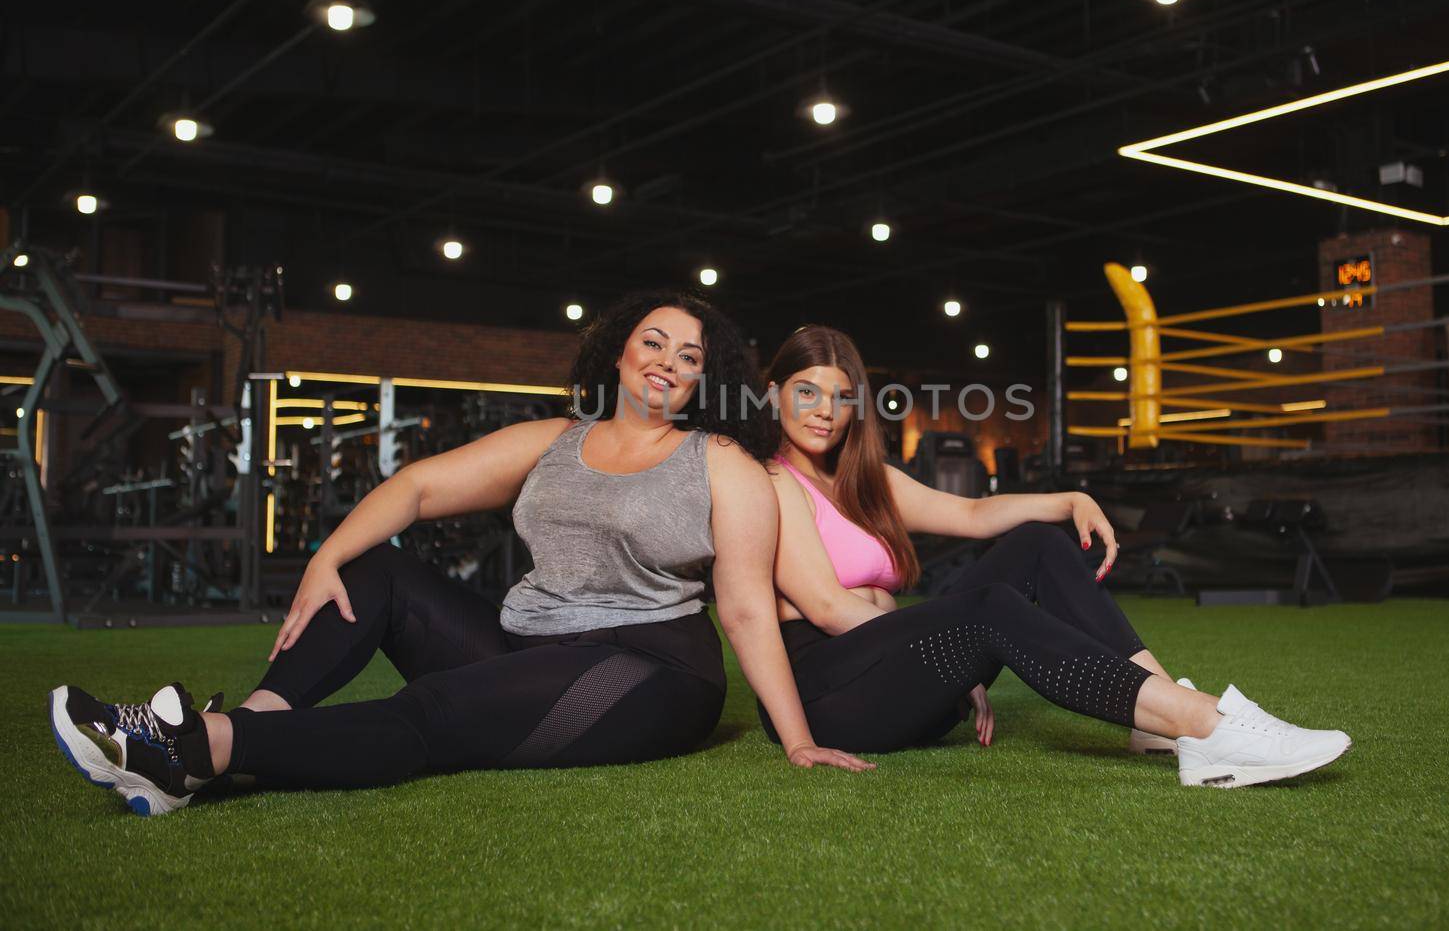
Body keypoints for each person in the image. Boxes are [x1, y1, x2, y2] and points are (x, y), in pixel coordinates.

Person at [48, 292, 870, 816]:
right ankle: (258, 719)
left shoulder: (719, 461)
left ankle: (192, 748)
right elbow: (416, 488)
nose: (668, 363)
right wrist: (324, 555)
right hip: (531, 641)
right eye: (655, 343)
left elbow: (747, 607)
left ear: (701, 379)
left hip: (649, 668)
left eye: (689, 357)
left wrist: (795, 738)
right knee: (376, 570)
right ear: (621, 349)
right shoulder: (555, 439)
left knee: (434, 713)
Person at [757, 325, 1350, 788]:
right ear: (773, 392)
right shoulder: (773, 484)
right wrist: (938, 642)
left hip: (894, 678)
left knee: (1037, 544)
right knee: (985, 606)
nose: (823, 411)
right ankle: (1201, 722)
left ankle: (1166, 720)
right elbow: (830, 608)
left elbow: (970, 516)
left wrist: (1067, 499)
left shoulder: (867, 479)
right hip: (832, 697)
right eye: (806, 391)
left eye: (839, 396)